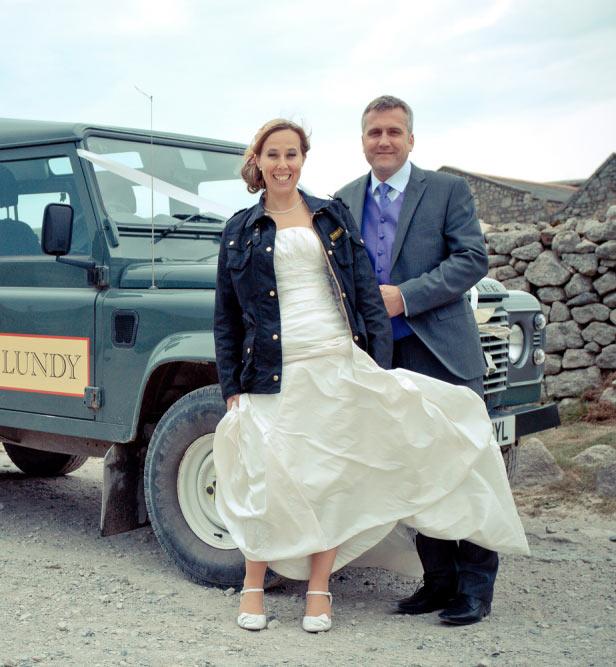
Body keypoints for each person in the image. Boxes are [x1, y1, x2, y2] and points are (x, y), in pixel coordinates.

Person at [214, 119, 528, 634]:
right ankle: (258, 586)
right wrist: (231, 385)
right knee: (268, 476)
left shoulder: (332, 215)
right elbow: (225, 316)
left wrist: (375, 368)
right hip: (273, 368)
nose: (283, 163)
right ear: (259, 160)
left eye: (292, 153)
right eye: (273, 154)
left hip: (344, 359)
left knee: (339, 475)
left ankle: (340, 589)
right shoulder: (242, 229)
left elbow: (365, 292)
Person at [334, 94, 503, 626]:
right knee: (411, 469)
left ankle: (475, 588)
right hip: (382, 358)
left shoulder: (447, 190)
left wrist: (403, 296)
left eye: (393, 132)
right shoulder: (343, 199)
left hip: (443, 351)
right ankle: (438, 581)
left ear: (411, 139)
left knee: (461, 467)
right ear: (362, 140)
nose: (383, 141)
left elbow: (472, 258)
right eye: (373, 133)